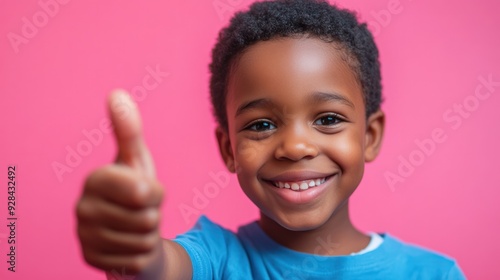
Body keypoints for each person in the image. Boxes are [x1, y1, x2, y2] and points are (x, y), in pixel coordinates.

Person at [75, 0, 466, 279]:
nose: (295, 147)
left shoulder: (434, 273)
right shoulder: (216, 260)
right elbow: (161, 267)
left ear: (369, 136)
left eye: (328, 119)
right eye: (261, 125)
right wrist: (134, 253)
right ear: (229, 148)